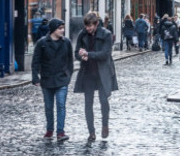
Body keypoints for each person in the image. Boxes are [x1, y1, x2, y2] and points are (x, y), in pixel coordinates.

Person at [74, 12, 119, 141]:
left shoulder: (106, 34)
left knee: (103, 101)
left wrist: (88, 54)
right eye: (86, 26)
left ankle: (105, 125)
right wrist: (80, 55)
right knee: (88, 103)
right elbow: (76, 52)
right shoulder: (82, 34)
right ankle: (91, 132)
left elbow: (105, 54)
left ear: (96, 24)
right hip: (87, 72)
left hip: (102, 72)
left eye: (90, 26)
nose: (88, 28)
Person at [32, 19, 73, 141]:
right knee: (49, 107)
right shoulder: (42, 43)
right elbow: (36, 61)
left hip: (62, 79)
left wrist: (68, 75)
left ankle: (60, 132)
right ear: (53, 29)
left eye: (63, 28)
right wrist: (35, 77)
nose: (62, 30)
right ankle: (49, 130)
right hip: (47, 79)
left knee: (61, 106)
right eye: (60, 28)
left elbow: (70, 61)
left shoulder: (66, 42)